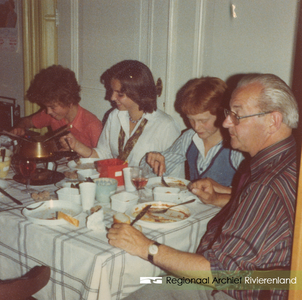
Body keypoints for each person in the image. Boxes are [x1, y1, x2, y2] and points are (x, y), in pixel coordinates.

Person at [108, 73, 298, 300]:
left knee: (131, 286)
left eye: (237, 115)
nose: (226, 122)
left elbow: (221, 274)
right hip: (256, 279)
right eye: (229, 114)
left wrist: (145, 246)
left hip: (238, 290)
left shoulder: (267, 185)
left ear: (272, 121)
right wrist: (219, 199)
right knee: (149, 281)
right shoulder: (287, 160)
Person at [61, 60, 182, 170]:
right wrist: (76, 145)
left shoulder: (166, 126)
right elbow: (104, 155)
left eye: (120, 94)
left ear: (137, 92)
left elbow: (174, 175)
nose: (112, 97)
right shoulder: (115, 116)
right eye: (112, 91)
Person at [141, 77, 245, 187]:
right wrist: (154, 162)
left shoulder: (236, 146)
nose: (196, 127)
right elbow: (156, 170)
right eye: (191, 119)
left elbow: (248, 193)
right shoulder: (190, 137)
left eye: (203, 120)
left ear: (222, 115)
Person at [10, 65, 102, 148]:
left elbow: (104, 158)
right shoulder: (53, 115)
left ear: (69, 101)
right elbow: (27, 121)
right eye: (46, 107)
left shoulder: (92, 125)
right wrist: (20, 127)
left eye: (52, 107)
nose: (48, 111)